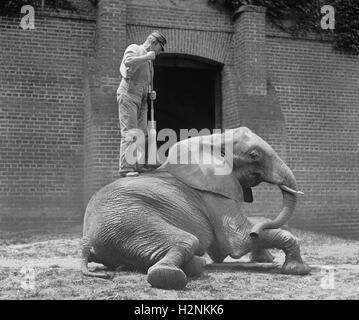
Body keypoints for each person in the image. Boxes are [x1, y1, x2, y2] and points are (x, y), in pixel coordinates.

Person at [117, 31, 167, 177]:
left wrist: (151, 93)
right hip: (129, 95)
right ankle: (126, 168)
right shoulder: (135, 48)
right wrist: (146, 56)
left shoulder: (150, 63)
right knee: (131, 132)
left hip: (142, 99)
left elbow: (146, 82)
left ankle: (139, 164)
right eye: (159, 48)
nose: (158, 52)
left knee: (143, 132)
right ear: (153, 43)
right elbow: (127, 63)